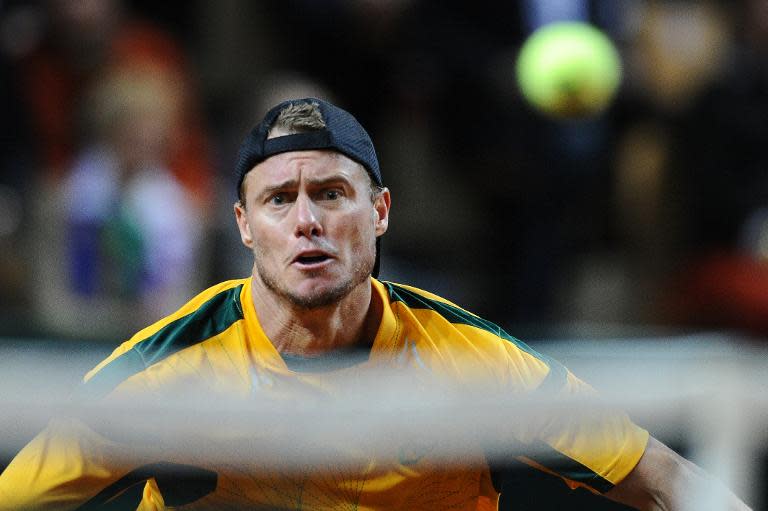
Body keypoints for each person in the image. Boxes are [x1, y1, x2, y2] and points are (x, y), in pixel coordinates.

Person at [0, 98, 751, 510]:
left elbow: (663, 479)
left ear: (382, 211)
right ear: (242, 226)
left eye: (331, 193)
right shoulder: (162, 369)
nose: (308, 221)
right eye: (278, 199)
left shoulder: (473, 362)